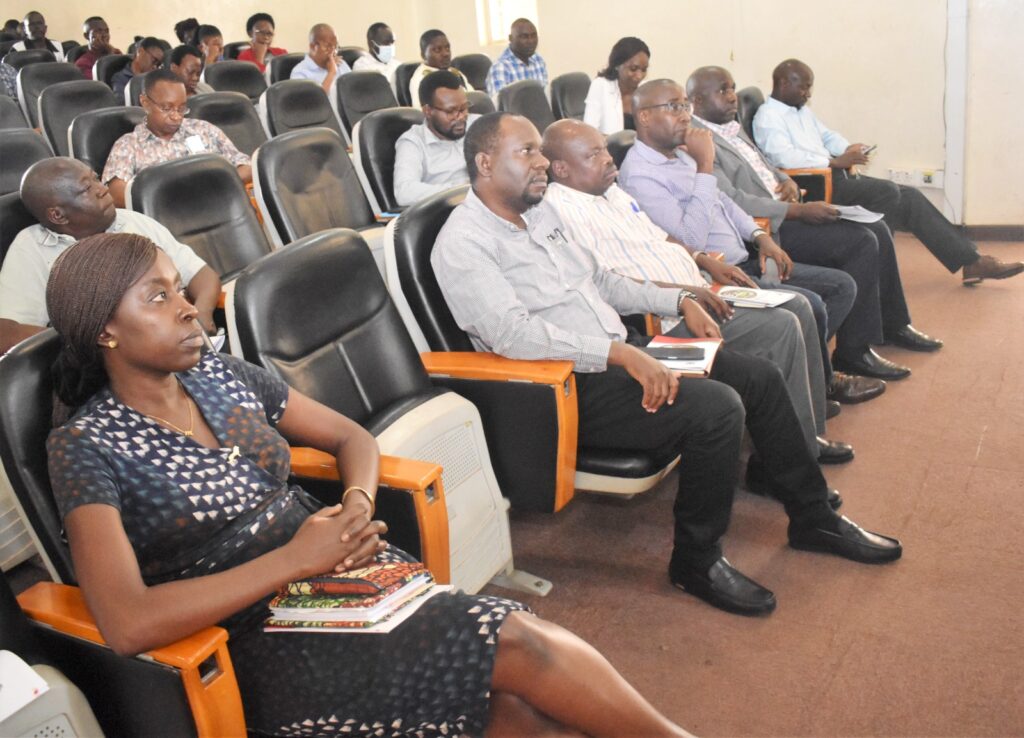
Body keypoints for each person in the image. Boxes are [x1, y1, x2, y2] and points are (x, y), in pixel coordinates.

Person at [43, 232, 692, 738]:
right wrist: (293, 561)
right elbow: (127, 622)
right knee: (518, 650)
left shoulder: (223, 376)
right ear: (104, 329)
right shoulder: (85, 447)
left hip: (339, 572)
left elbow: (352, 440)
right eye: (158, 298)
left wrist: (354, 507)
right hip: (251, 634)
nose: (189, 307)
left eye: (180, 289)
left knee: (516, 712)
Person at [433, 112, 902, 616]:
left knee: (756, 377)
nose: (542, 161)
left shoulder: (540, 212)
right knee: (717, 409)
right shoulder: (464, 243)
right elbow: (512, 335)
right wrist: (622, 353)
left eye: (539, 151)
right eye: (527, 151)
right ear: (485, 163)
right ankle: (696, 561)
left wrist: (679, 299)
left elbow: (603, 282)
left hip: (619, 353)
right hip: (561, 388)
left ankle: (813, 518)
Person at [541, 118, 852, 463]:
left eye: (604, 148)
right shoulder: (560, 211)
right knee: (782, 326)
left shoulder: (610, 191)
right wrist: (685, 295)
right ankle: (791, 455)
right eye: (594, 153)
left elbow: (662, 238)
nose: (608, 158)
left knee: (798, 305)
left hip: (699, 288)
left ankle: (803, 435)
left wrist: (703, 259)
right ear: (562, 168)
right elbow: (607, 281)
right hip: (664, 318)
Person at [618, 79, 890, 391]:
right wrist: (705, 165)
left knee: (841, 286)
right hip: (713, 276)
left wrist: (761, 236)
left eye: (684, 106)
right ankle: (814, 384)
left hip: (745, 258)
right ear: (644, 117)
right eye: (673, 107)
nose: (684, 115)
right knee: (808, 305)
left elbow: (727, 203)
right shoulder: (641, 175)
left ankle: (804, 375)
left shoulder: (680, 156)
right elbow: (689, 240)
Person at [688, 66, 943, 380]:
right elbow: (732, 199)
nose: (732, 98)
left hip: (786, 205)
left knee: (876, 228)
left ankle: (894, 324)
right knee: (861, 242)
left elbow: (764, 163)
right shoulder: (698, 141)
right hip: (766, 227)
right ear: (696, 101)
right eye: (723, 90)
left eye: (732, 88)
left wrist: (785, 180)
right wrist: (796, 212)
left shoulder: (730, 124)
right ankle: (853, 352)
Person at [753, 59, 1024, 287]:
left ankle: (970, 261)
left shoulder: (801, 111)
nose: (808, 94)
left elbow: (827, 135)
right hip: (813, 185)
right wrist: (834, 161)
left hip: (834, 175)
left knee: (909, 197)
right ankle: (879, 271)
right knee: (888, 193)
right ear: (784, 84)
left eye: (810, 87)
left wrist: (847, 147)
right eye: (804, 87)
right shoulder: (768, 117)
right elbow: (781, 157)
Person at [0, 158, 220, 355]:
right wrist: (100, 347)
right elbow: (7, 331)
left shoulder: (133, 221)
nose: (102, 189)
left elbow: (202, 274)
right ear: (58, 215)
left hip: (182, 344)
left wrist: (202, 315)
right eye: (87, 187)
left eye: (96, 179)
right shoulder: (32, 248)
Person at [103, 69, 251, 208]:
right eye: (167, 108)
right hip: (164, 219)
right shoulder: (129, 145)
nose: (176, 116)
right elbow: (116, 194)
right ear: (145, 102)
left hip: (217, 209)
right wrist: (175, 200)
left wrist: (210, 186)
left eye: (181, 108)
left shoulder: (203, 129)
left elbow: (246, 166)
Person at [394, 71, 479, 207]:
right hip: (448, 212)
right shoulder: (413, 142)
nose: (461, 117)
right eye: (451, 111)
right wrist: (463, 189)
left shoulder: (478, 125)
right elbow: (404, 192)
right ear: (428, 111)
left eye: (464, 108)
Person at [583, 37, 649, 135]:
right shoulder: (601, 85)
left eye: (644, 70)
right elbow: (589, 132)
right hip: (609, 148)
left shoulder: (647, 90)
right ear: (617, 65)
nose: (639, 76)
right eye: (633, 69)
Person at [408, 29, 474, 107]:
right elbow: (421, 112)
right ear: (423, 54)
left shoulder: (456, 73)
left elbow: (474, 98)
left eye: (447, 48)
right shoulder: (421, 80)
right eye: (437, 50)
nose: (445, 53)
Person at [485, 18, 547, 99]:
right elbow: (501, 107)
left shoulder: (538, 61)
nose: (530, 41)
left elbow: (545, 98)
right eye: (524, 37)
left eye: (533, 36)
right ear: (511, 38)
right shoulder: (500, 68)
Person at [290, 23, 350, 93]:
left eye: (336, 46)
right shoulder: (300, 72)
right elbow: (313, 101)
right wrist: (331, 73)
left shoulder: (341, 64)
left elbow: (354, 93)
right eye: (328, 46)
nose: (333, 51)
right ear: (312, 47)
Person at [352, 22, 400, 93]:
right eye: (386, 43)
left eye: (392, 42)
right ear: (371, 44)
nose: (390, 46)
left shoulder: (397, 64)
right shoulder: (362, 66)